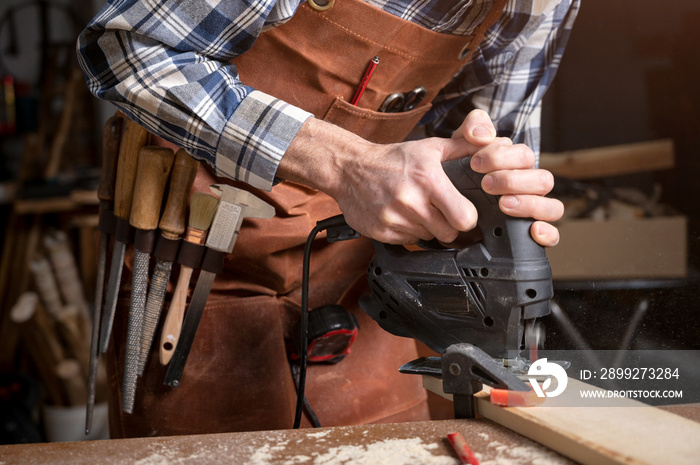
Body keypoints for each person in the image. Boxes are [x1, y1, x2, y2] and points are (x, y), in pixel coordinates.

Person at [77, 0, 579, 437]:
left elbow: (485, 138)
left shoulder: (541, 3)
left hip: (363, 268)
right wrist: (347, 165)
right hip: (195, 248)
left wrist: (494, 203)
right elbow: (128, 50)